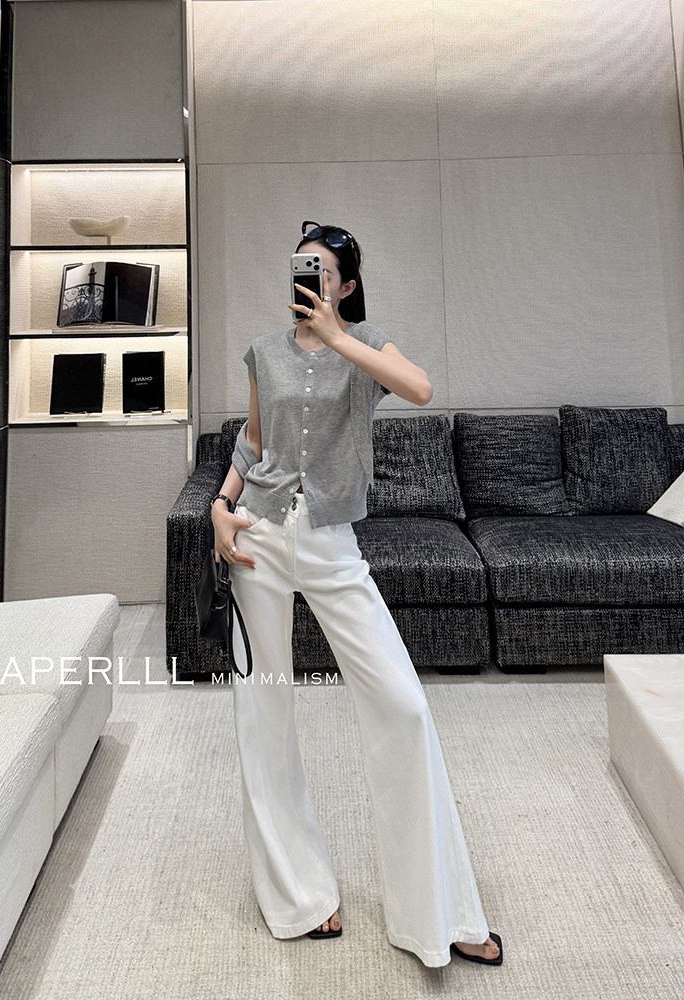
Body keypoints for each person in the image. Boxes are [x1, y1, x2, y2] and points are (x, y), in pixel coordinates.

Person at [210, 221, 503, 969]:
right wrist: (220, 503)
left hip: (330, 543)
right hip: (258, 536)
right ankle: (300, 897)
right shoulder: (263, 351)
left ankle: (440, 912)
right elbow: (254, 442)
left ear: (344, 285)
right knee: (264, 712)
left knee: (402, 707)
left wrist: (339, 336)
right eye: (300, 266)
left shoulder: (367, 345)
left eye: (323, 270)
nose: (308, 279)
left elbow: (420, 389)